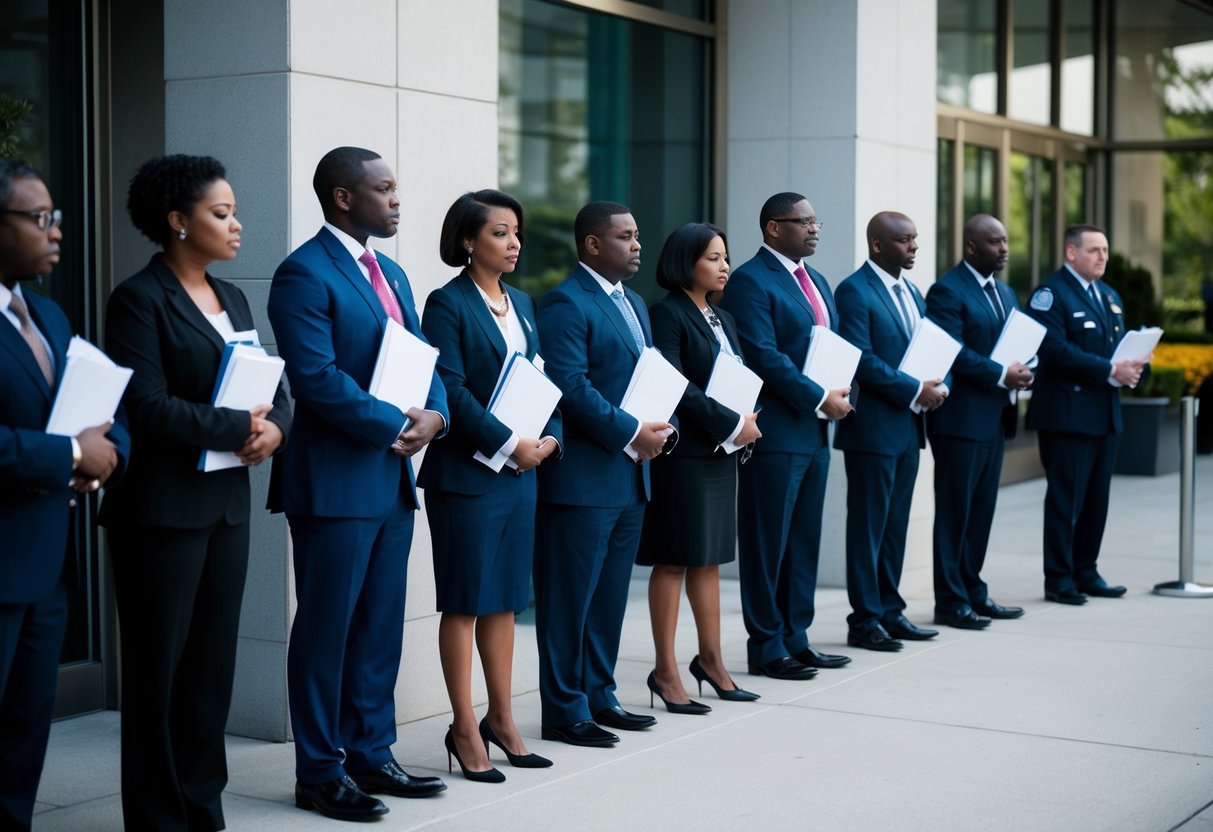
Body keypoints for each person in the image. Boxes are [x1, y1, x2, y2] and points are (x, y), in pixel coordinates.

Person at [99, 154, 291, 830]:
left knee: (210, 677)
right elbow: (145, 407)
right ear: (178, 222)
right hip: (160, 513)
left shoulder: (234, 297)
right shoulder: (138, 299)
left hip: (225, 508)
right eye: (221, 213)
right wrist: (241, 425)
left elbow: (274, 388)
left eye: (233, 211)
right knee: (158, 679)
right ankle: (156, 820)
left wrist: (276, 432)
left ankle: (202, 811)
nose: (236, 224)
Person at [267, 147, 449, 821]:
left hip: (391, 477)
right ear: (344, 198)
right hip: (335, 482)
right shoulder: (302, 274)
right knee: (327, 631)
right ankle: (319, 771)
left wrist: (436, 416)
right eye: (385, 189)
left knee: (377, 629)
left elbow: (421, 354)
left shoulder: (393, 274)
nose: (397, 200)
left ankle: (372, 753)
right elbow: (313, 380)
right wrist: (389, 425)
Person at [0, 160, 128, 832]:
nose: (55, 232)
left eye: (56, 219)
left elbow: (101, 398)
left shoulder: (46, 312)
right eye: (38, 218)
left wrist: (109, 453)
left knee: (25, 726)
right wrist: (73, 453)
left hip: (48, 563)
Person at [418, 190, 561, 781]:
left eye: (517, 233)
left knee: (504, 600)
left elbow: (542, 378)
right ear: (468, 240)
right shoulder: (445, 303)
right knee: (465, 603)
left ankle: (502, 718)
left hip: (520, 474)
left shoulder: (523, 302)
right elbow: (451, 389)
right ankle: (464, 725)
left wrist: (548, 440)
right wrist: (509, 443)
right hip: (467, 476)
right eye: (500, 233)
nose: (514, 243)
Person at [534, 200, 673, 747]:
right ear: (593, 244)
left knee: (610, 597)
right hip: (583, 481)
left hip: (631, 477)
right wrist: (628, 431)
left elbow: (654, 377)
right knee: (570, 600)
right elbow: (570, 385)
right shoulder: (567, 302)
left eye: (638, 235)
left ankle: (600, 694)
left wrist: (662, 431)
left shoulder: (636, 302)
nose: (637, 244)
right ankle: (564, 710)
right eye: (625, 236)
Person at [716, 192, 853, 681]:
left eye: (817, 221)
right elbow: (763, 356)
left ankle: (797, 637)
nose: (815, 229)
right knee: (768, 541)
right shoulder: (751, 281)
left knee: (803, 540)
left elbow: (831, 346)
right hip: (775, 431)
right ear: (774, 228)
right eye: (804, 222)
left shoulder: (815, 279)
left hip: (815, 433)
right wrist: (819, 396)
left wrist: (838, 392)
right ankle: (767, 645)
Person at [640, 222, 761, 711]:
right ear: (684, 261)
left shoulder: (723, 318)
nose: (724, 266)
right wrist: (731, 423)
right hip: (684, 456)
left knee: (709, 559)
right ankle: (665, 672)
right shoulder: (665, 314)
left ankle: (711, 661)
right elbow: (677, 386)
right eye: (713, 257)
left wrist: (748, 420)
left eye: (725, 257)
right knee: (674, 559)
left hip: (719, 454)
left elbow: (739, 376)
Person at [834, 211, 944, 652]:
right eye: (904, 240)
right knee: (869, 527)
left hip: (907, 427)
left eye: (915, 239)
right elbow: (861, 358)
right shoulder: (854, 291)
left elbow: (920, 350)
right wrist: (914, 387)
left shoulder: (912, 291)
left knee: (895, 525)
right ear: (877, 245)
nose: (914, 247)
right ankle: (864, 620)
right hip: (872, 431)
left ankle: (890, 611)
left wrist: (934, 382)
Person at [925, 214, 1034, 630]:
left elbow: (1016, 345)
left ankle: (973, 590)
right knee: (955, 512)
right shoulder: (947, 291)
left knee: (981, 511)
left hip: (995, 419)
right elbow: (953, 352)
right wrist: (1000, 374)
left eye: (1005, 241)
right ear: (971, 247)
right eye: (994, 242)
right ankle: (950, 602)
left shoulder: (1005, 292)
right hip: (960, 421)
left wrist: (1024, 369)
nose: (1004, 248)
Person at [1025, 224, 1143, 604]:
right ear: (1071, 253)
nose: (1103, 257)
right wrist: (1110, 370)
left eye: (1105, 250)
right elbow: (1055, 349)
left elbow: (1117, 348)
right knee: (1066, 499)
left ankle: (1086, 570)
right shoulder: (1050, 295)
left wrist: (1136, 364)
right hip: (1067, 415)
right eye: (1094, 250)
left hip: (1104, 413)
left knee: (1096, 499)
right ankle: (1059, 579)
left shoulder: (1109, 296)